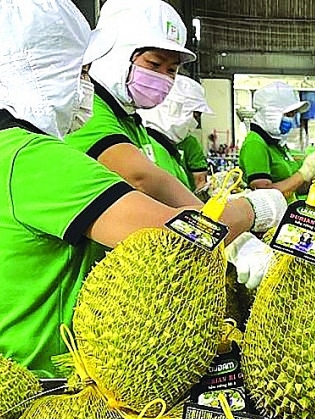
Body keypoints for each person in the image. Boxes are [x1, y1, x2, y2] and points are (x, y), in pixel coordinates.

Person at [0, 0, 280, 377]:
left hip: (11, 360)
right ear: (44, 70)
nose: (86, 84)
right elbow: (180, 237)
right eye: (81, 70)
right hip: (51, 378)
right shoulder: (36, 160)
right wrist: (254, 210)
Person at [66, 0, 280, 289]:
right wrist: (242, 215)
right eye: (154, 64)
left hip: (126, 277)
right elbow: (141, 178)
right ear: (115, 54)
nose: (163, 78)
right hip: (84, 288)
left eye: (172, 70)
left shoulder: (130, 121)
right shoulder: (89, 111)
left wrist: (223, 228)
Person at [239, 81, 315, 200]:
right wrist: (303, 173)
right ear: (270, 113)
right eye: (288, 114)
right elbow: (263, 196)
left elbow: (292, 187)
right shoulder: (255, 144)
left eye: (293, 114)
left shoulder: (277, 144)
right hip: (271, 218)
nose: (291, 120)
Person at [138, 74, 213, 192]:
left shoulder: (167, 149)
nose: (195, 123)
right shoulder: (153, 148)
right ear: (176, 109)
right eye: (195, 115)